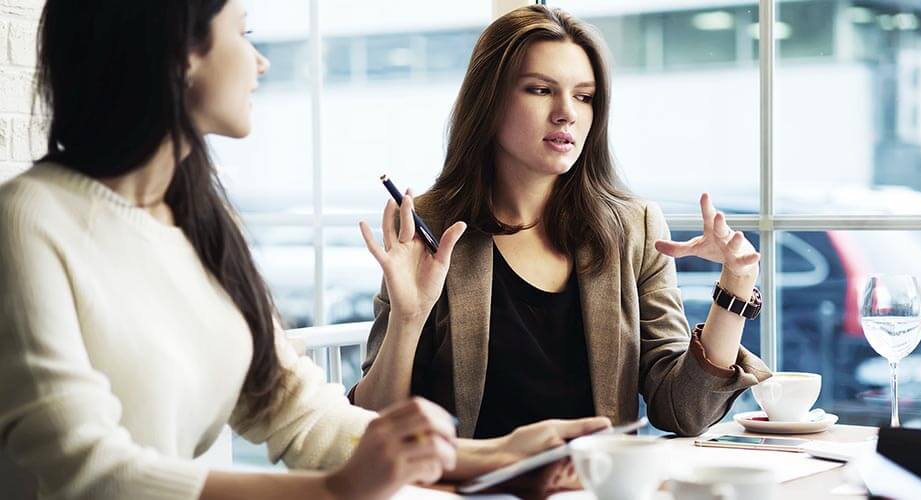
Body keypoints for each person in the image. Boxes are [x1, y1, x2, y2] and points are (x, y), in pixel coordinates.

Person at [0, 1, 608, 498]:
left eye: (584, 96)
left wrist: (497, 455)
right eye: (244, 34)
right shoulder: (29, 220)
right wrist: (337, 489)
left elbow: (299, 412)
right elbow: (88, 473)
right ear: (181, 53)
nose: (260, 62)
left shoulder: (202, 221)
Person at [349, 5, 771, 439]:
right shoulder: (430, 228)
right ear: (488, 101)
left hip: (598, 474)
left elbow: (684, 412)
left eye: (584, 96)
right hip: (475, 475)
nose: (567, 112)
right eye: (540, 90)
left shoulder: (634, 226)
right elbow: (373, 425)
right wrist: (408, 318)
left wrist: (735, 289)